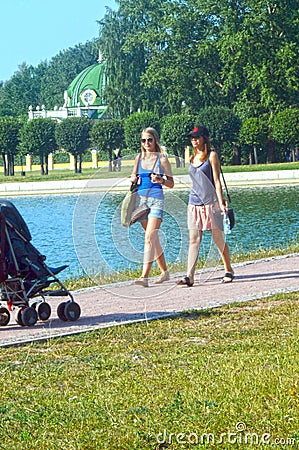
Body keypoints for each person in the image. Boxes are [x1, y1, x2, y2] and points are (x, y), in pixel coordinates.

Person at [177, 125, 234, 287]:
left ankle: (229, 269)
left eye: (197, 137)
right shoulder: (191, 158)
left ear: (204, 138)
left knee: (217, 238)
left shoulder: (212, 156)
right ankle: (189, 276)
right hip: (194, 203)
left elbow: (217, 180)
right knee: (194, 240)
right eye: (192, 138)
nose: (194, 140)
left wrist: (220, 201)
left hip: (210, 204)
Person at [130, 127, 174, 287]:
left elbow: (171, 183)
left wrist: (161, 180)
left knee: (149, 237)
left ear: (155, 140)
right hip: (141, 202)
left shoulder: (162, 159)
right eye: (143, 140)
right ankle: (165, 272)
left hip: (156, 201)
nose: (147, 143)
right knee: (153, 239)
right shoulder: (138, 158)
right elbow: (134, 177)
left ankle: (144, 277)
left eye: (149, 139)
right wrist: (133, 178)